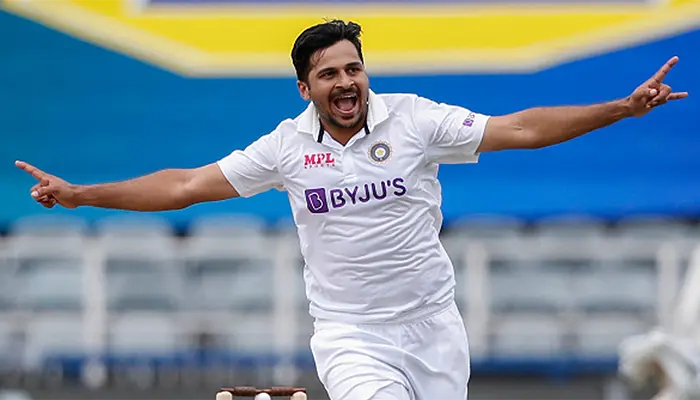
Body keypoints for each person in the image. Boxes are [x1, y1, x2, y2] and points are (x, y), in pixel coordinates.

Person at [15, 19, 688, 400]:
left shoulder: (416, 121)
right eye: (330, 74)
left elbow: (521, 129)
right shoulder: (284, 148)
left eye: (354, 69)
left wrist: (621, 109)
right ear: (305, 86)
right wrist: (80, 194)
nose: (346, 83)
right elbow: (185, 186)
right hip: (351, 334)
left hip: (434, 328)